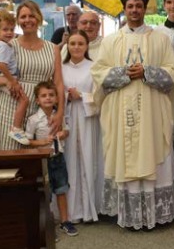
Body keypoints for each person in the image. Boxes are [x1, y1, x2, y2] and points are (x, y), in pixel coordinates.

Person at [91, 0, 174, 230]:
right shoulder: (111, 41)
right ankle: (131, 215)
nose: (134, 10)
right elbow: (98, 73)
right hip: (121, 110)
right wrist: (124, 73)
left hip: (152, 111)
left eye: (139, 6)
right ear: (124, 9)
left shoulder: (160, 39)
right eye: (130, 6)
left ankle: (155, 213)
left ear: (145, 9)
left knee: (153, 150)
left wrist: (147, 72)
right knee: (126, 152)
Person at [0, 0, 64, 151]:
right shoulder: (7, 44)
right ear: (18, 20)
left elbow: (58, 83)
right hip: (11, 107)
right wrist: (7, 81)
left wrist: (59, 113)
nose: (27, 20)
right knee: (8, 157)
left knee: (38, 161)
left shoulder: (53, 48)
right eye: (23, 17)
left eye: (31, 16)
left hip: (40, 108)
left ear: (39, 17)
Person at [23, 81, 78, 237]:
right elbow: (27, 140)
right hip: (42, 160)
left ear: (56, 99)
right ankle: (48, 225)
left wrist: (62, 134)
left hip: (58, 158)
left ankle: (65, 221)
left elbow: (66, 131)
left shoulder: (58, 116)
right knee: (45, 193)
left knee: (61, 189)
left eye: (51, 95)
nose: (48, 98)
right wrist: (42, 142)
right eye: (44, 96)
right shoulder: (34, 119)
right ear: (37, 100)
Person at [62, 30, 104, 224]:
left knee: (89, 158)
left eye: (80, 43)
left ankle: (90, 208)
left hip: (88, 118)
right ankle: (72, 211)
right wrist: (66, 96)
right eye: (72, 43)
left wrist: (83, 96)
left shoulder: (94, 67)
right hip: (68, 116)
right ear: (67, 46)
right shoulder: (61, 68)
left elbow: (100, 96)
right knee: (70, 161)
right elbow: (54, 92)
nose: (76, 47)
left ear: (87, 46)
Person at [0, 10, 30, 145]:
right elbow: (1, 64)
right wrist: (12, 80)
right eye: (5, 30)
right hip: (3, 76)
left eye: (11, 29)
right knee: (24, 100)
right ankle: (16, 128)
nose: (9, 32)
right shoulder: (4, 46)